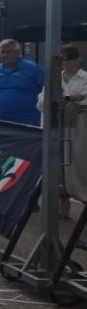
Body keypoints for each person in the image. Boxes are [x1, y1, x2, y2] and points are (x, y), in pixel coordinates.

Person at [57, 44, 86, 218]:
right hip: (58, 125)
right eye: (63, 58)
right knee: (60, 165)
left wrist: (63, 98)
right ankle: (64, 206)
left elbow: (84, 99)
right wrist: (71, 99)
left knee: (80, 163)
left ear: (77, 60)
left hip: (81, 128)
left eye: (70, 58)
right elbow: (43, 100)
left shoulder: (85, 78)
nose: (66, 62)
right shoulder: (54, 79)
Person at [0, 39, 44, 126]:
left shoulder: (33, 68)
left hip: (28, 121)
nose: (5, 55)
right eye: (2, 52)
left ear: (18, 52)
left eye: (8, 52)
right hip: (3, 120)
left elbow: (47, 88)